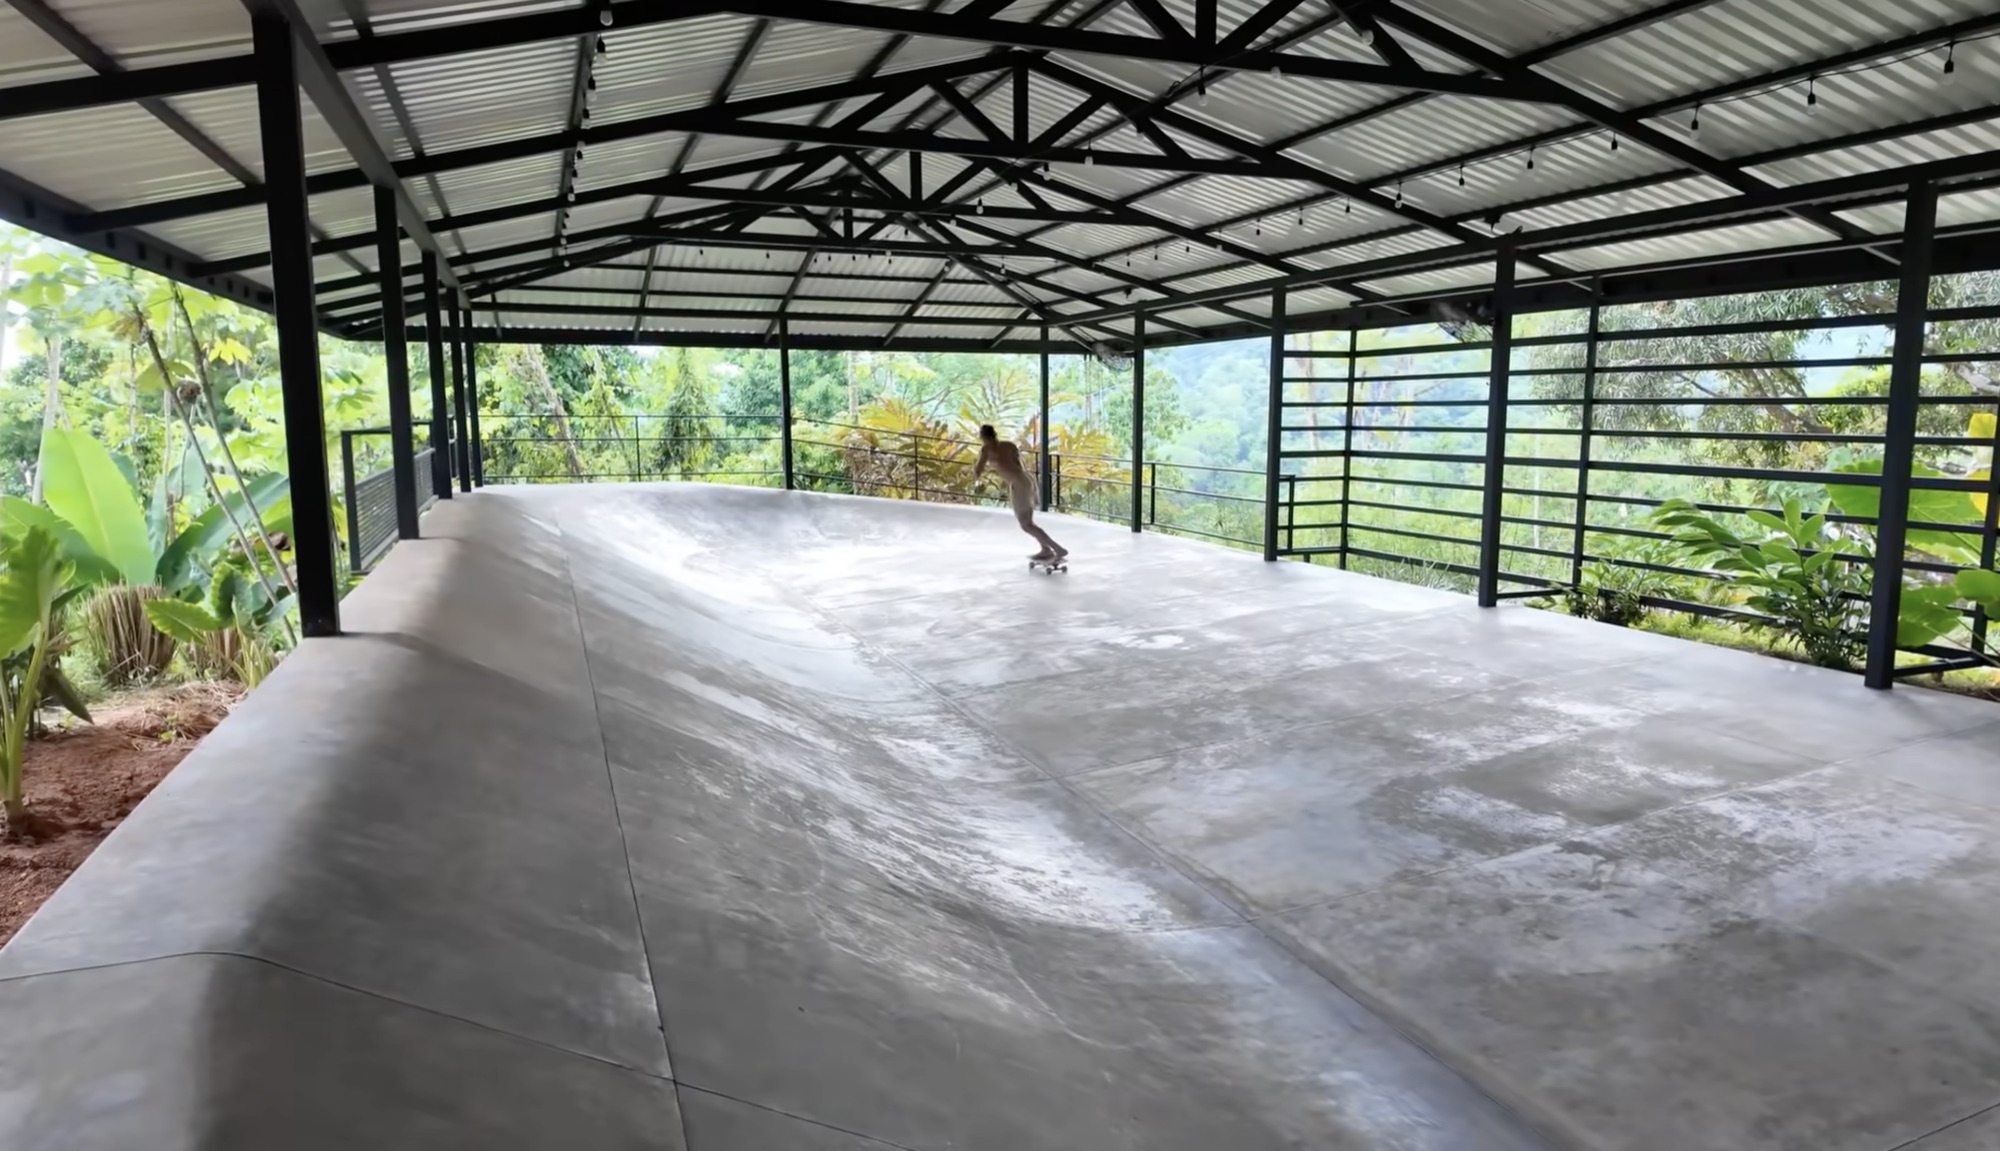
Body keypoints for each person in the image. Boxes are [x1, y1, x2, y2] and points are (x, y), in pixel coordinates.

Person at [974, 424, 1067, 562]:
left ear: (983, 436)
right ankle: (1046, 549)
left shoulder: (986, 449)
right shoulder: (1009, 445)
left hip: (1018, 484)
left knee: (1026, 525)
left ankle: (1057, 549)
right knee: (1029, 522)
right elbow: (1018, 465)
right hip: (1026, 479)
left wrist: (982, 467)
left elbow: (977, 471)